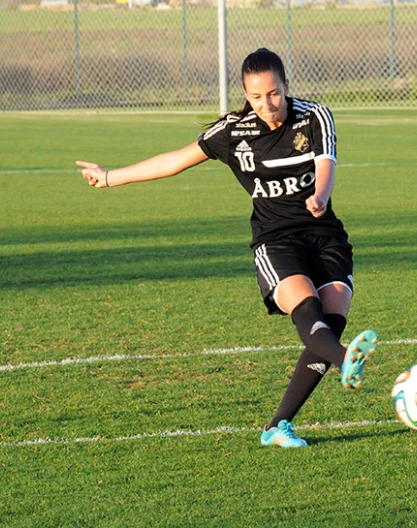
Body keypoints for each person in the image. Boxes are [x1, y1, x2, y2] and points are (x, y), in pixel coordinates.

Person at [76, 48, 378, 448]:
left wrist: (320, 196)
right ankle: (344, 361)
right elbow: (174, 161)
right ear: (245, 94)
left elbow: (326, 163)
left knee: (331, 321)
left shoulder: (314, 115)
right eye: (256, 97)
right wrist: (111, 177)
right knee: (307, 309)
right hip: (276, 240)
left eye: (273, 93)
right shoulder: (233, 133)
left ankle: (277, 426)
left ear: (286, 86)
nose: (267, 104)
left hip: (325, 235)